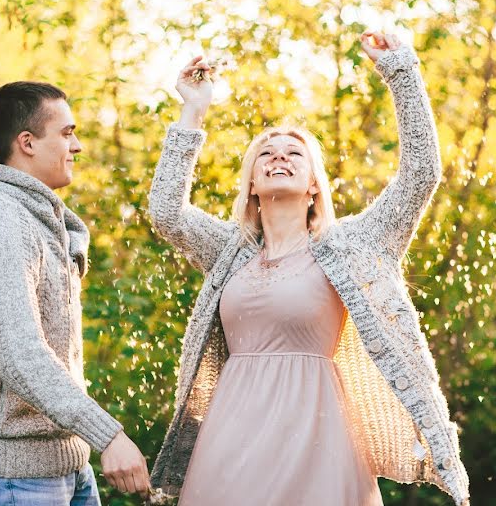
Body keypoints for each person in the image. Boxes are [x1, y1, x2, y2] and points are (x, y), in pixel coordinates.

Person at [146, 32, 470, 506]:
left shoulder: (354, 244)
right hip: (231, 438)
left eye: (294, 153)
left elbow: (421, 173)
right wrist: (192, 110)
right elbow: (166, 213)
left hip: (320, 439)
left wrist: (401, 70)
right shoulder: (229, 250)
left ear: (315, 185)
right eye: (266, 153)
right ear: (252, 184)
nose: (279, 156)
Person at [0, 81, 150, 505]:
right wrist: (108, 435)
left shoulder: (43, 222)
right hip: (18, 476)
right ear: (26, 142)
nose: (77, 145)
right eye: (66, 133)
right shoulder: (4, 223)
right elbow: (20, 356)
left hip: (68, 464)